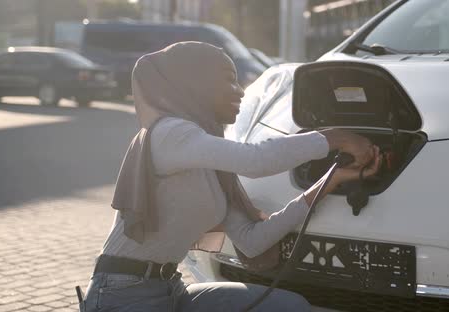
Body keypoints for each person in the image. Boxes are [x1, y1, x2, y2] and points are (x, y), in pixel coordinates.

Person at [79, 41, 382, 312]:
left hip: (170, 289)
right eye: (229, 81)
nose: (240, 91)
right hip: (121, 294)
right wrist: (335, 138)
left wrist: (331, 180)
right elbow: (255, 159)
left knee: (289, 306)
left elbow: (252, 242)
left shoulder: (211, 162)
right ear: (197, 84)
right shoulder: (170, 133)